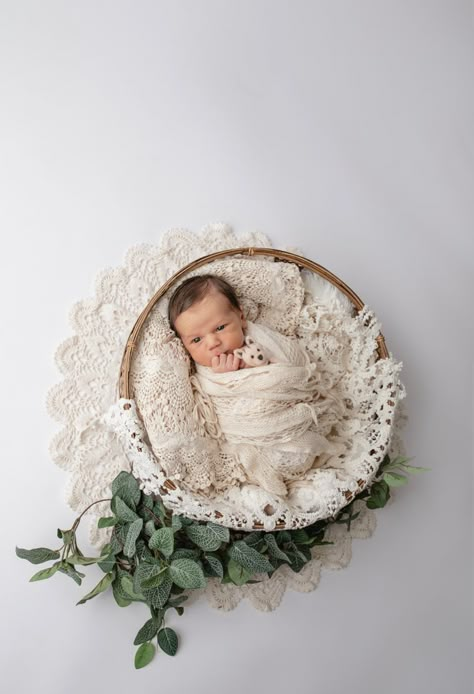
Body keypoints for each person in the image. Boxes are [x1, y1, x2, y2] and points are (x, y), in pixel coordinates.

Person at [168, 275, 250, 372]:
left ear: (241, 318)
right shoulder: (201, 375)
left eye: (220, 328)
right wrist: (226, 377)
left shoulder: (260, 338)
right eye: (197, 339)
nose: (213, 343)